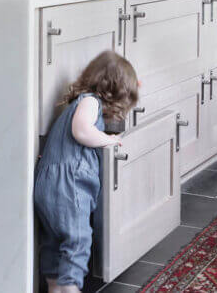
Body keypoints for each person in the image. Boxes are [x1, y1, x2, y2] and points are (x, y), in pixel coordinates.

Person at [34, 50, 140, 293]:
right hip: (68, 184)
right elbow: (81, 131)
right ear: (116, 89)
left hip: (48, 183)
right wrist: (108, 140)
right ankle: (70, 287)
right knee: (78, 238)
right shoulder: (90, 101)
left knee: (54, 239)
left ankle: (54, 286)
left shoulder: (77, 103)